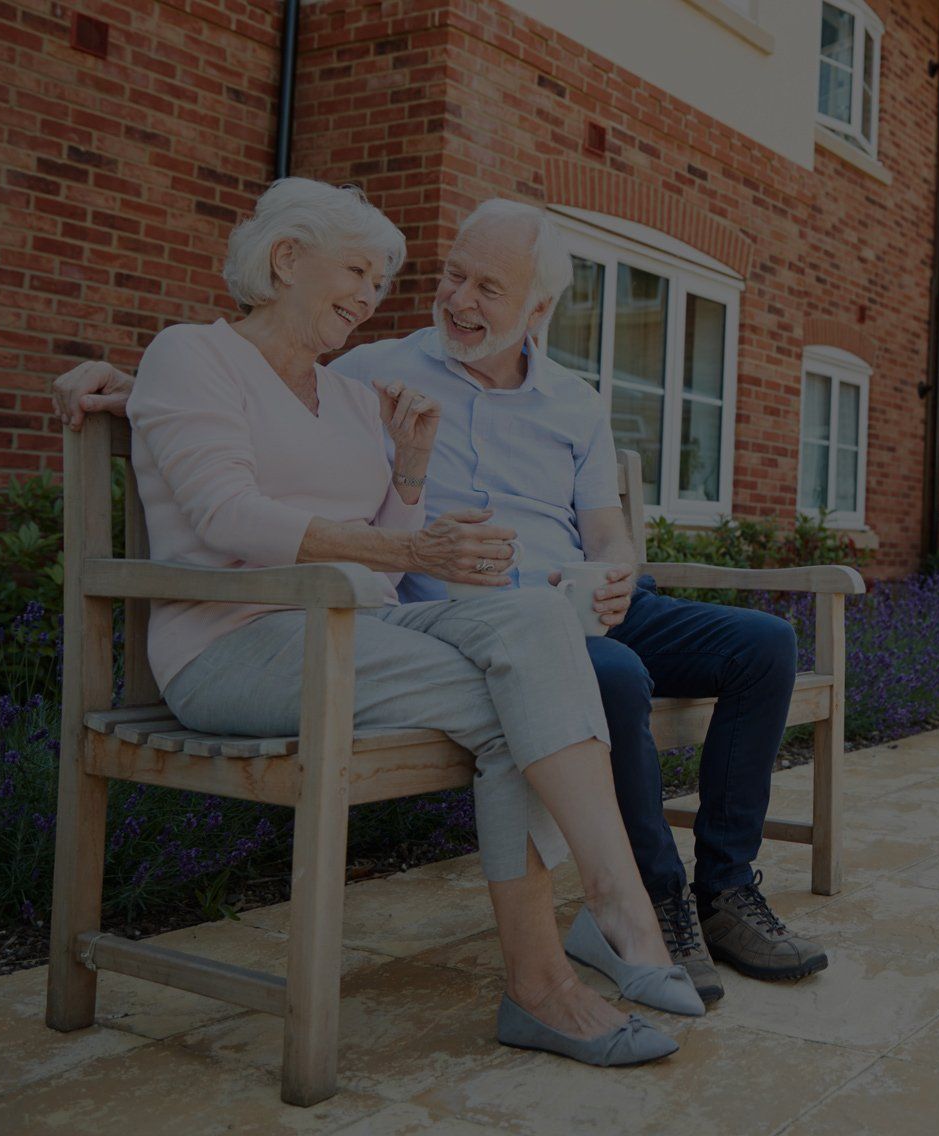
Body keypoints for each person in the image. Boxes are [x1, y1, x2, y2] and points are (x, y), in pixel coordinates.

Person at [54, 199, 828, 1005]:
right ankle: (649, 907)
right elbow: (250, 389)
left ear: (537, 310)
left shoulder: (564, 399)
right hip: (443, 615)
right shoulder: (373, 368)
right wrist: (136, 385)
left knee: (763, 644)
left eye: (488, 289)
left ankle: (723, 892)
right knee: (605, 676)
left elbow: (604, 527)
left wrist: (616, 570)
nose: (458, 301)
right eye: (452, 276)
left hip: (568, 599)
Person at [122, 178, 696, 1068]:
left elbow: (389, 546)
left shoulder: (353, 396)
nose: (371, 297)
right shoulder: (191, 355)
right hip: (234, 643)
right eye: (356, 270)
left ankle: (599, 925)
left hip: (359, 635)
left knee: (537, 623)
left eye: (383, 282)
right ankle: (583, 951)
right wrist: (411, 551)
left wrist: (413, 474)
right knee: (523, 701)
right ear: (285, 260)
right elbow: (224, 515)